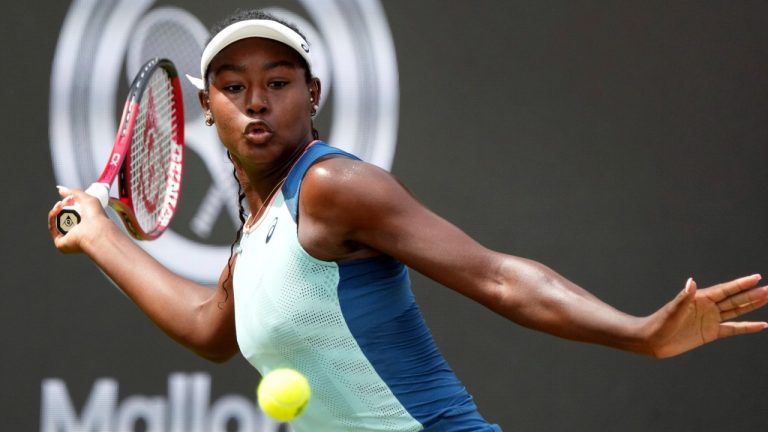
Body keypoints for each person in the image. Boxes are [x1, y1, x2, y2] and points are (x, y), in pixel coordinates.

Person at [48, 8, 768, 432]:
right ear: (207, 109)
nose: (257, 101)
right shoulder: (256, 234)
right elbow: (211, 329)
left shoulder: (332, 188)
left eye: (278, 82)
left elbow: (497, 276)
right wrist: (104, 239)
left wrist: (637, 334)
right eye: (234, 88)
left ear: (313, 93)